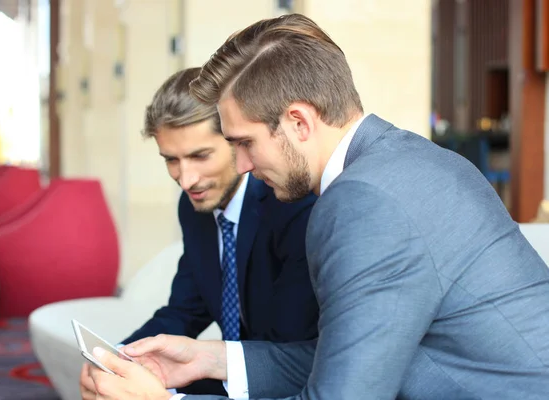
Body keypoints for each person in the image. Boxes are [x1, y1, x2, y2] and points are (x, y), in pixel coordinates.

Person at [86, 14, 549, 400]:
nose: (242, 165)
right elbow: (353, 358)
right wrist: (212, 358)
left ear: (299, 122)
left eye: (245, 142)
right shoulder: (413, 160)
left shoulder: (361, 202)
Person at [78, 67, 319, 399]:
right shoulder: (194, 208)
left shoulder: (292, 205)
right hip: (232, 373)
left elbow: (290, 350)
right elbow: (186, 310)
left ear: (238, 140)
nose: (186, 179)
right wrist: (118, 358)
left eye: (200, 156)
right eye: (171, 160)